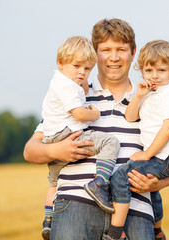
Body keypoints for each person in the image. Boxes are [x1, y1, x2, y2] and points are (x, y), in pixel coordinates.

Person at [24, 18, 169, 240]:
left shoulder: (153, 99)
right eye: (105, 50)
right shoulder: (74, 94)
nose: (113, 57)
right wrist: (56, 151)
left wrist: (158, 183)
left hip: (135, 213)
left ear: (133, 53)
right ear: (94, 53)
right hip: (75, 206)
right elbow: (30, 150)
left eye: (121, 49)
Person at [103, 40, 169, 240]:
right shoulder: (151, 93)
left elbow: (168, 129)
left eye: (161, 70)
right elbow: (130, 117)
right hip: (158, 156)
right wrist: (139, 96)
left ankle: (115, 232)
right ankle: (157, 231)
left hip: (165, 157)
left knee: (120, 177)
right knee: (151, 189)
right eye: (149, 70)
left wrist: (146, 154)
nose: (154, 76)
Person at [40, 36, 120, 240]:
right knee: (111, 142)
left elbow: (80, 91)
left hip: (52, 140)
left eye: (86, 69)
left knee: (53, 184)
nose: (81, 73)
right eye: (77, 66)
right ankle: (100, 183)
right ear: (60, 63)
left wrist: (82, 83)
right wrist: (95, 113)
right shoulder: (65, 85)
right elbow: (80, 114)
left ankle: (48, 220)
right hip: (70, 135)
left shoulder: (60, 82)